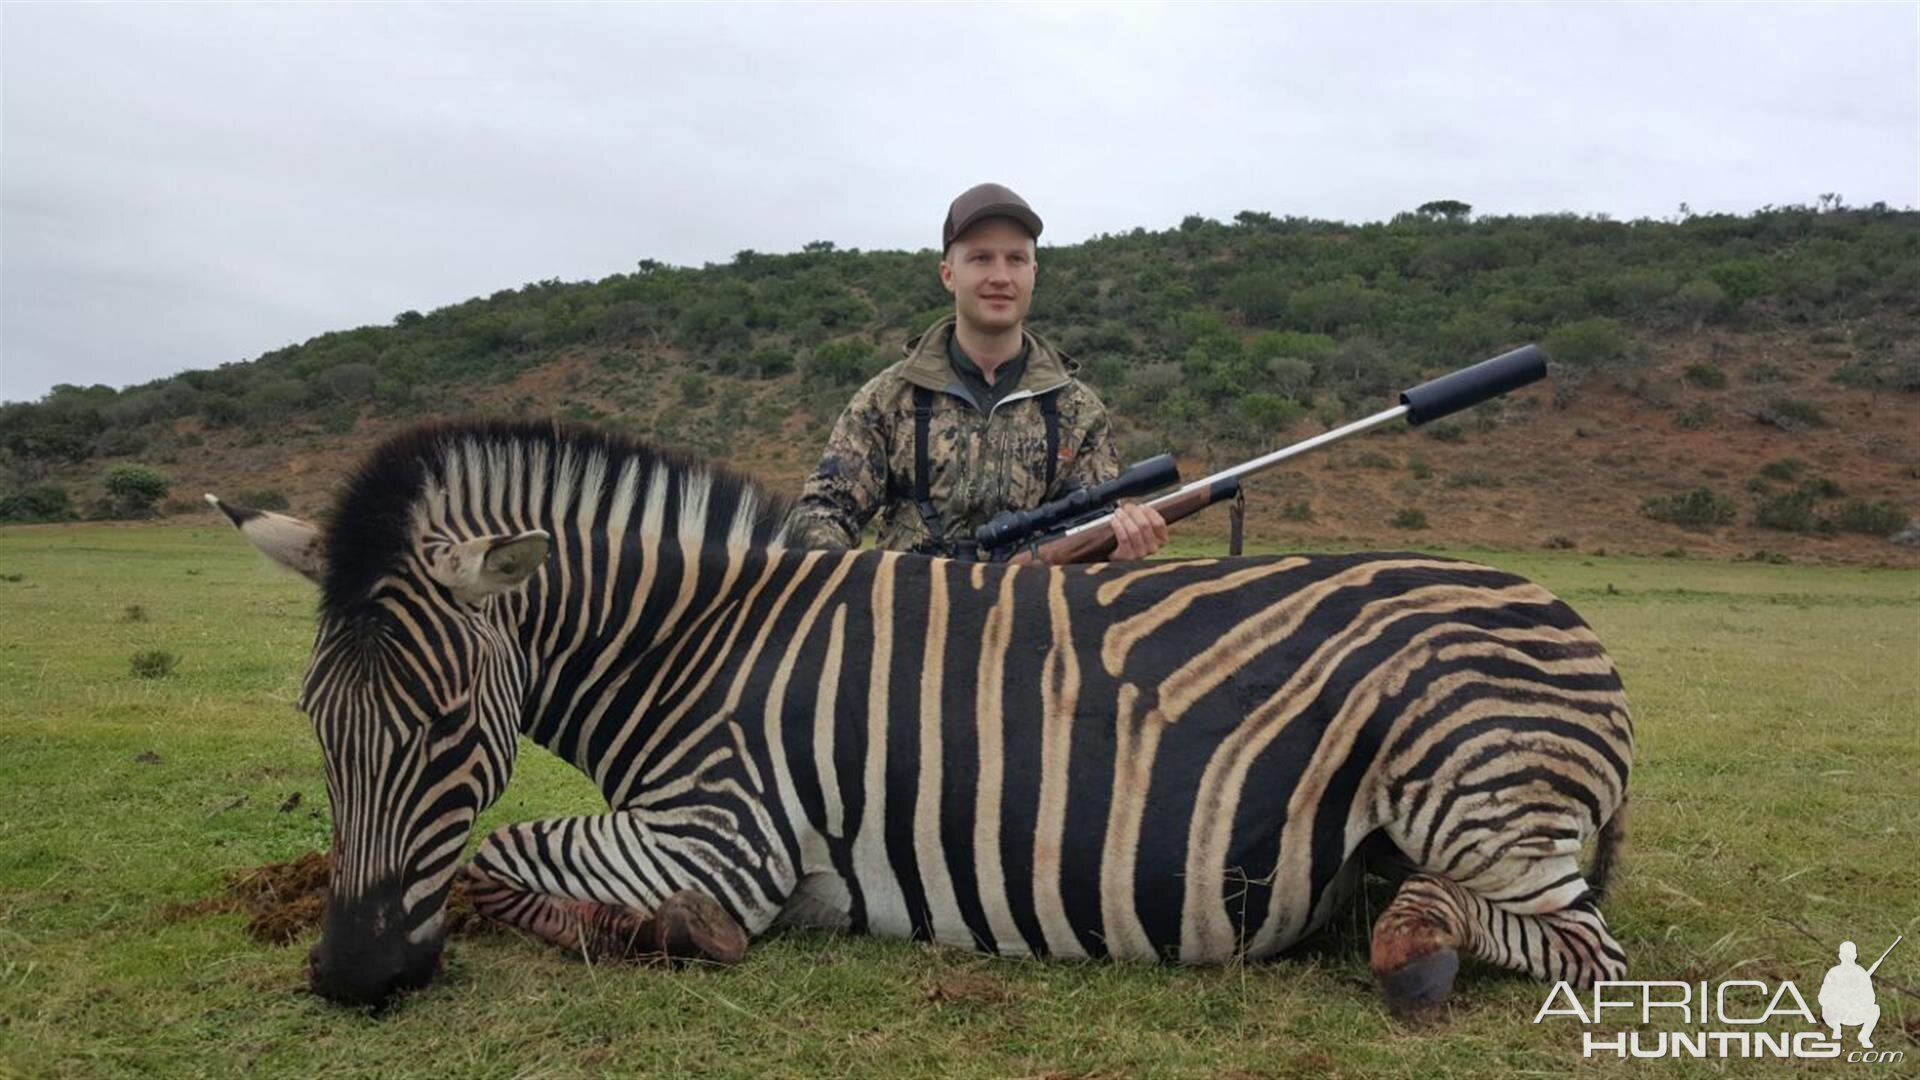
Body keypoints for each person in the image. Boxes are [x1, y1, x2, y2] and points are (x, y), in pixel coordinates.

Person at [787, 182, 1168, 560]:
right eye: (981, 258)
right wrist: (859, 588)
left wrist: (1119, 550)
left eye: (1016, 259)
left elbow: (1092, 533)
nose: (1000, 277)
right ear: (948, 274)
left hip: (1035, 610)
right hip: (910, 611)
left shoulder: (1080, 410)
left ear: (1033, 273)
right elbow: (822, 512)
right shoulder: (886, 399)